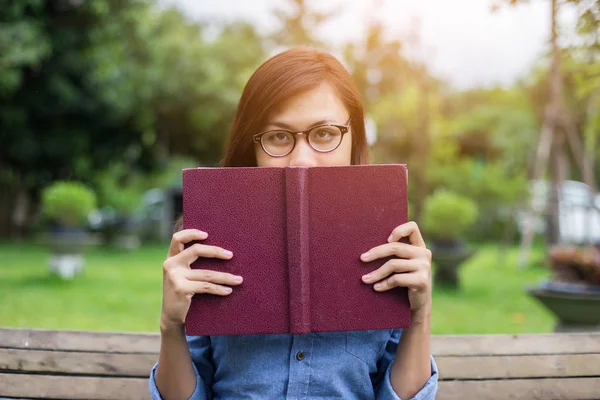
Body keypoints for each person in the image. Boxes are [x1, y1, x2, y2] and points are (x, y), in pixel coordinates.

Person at [149, 46, 438, 400]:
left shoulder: (388, 245)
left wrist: (420, 315)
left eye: (325, 133)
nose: (302, 161)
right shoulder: (210, 241)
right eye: (278, 137)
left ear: (354, 138)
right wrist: (171, 325)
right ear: (252, 145)